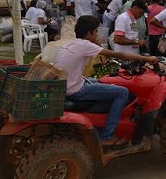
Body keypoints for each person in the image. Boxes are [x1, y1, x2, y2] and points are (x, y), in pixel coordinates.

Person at [52, 15, 157, 147]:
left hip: (66, 84)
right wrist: (146, 58)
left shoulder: (71, 43)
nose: (97, 35)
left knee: (101, 81)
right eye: (95, 32)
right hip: (75, 90)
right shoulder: (86, 45)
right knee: (122, 92)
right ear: (89, 33)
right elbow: (120, 55)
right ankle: (107, 136)